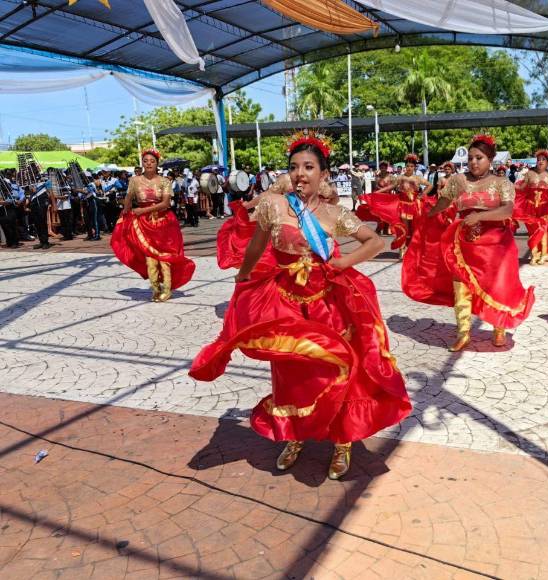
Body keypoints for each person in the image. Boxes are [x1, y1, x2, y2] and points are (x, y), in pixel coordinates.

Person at [190, 134, 411, 480]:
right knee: (290, 373)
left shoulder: (336, 214)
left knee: (335, 374)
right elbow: (255, 246)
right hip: (285, 305)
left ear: (323, 174)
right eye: (294, 167)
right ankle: (293, 435)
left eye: (308, 167)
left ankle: (342, 442)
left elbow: (376, 241)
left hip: (329, 306)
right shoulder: (273, 206)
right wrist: (243, 278)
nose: (300, 174)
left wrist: (344, 262)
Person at [403, 134, 535, 351]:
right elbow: (443, 202)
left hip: (496, 245)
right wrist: (427, 215)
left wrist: (480, 216)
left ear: (490, 159)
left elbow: (507, 210)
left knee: (497, 287)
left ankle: (498, 328)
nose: (473, 162)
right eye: (471, 158)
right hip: (463, 243)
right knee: (460, 287)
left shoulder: (502, 183)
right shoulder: (458, 181)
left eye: (479, 158)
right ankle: (463, 333)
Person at [111, 149, 196, 302]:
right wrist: (124, 215)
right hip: (143, 223)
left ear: (157, 163)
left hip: (164, 223)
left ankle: (168, 289)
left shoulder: (165, 181)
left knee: (164, 258)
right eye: (146, 161)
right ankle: (156, 288)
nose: (149, 163)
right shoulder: (134, 181)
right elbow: (128, 200)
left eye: (152, 161)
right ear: (142, 163)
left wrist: (143, 210)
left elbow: (165, 204)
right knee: (150, 259)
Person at [369, 153, 435, 255]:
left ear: (414, 167)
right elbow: (390, 186)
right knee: (404, 227)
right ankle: (402, 247)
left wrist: (422, 194)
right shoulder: (400, 177)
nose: (409, 168)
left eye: (411, 166)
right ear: (405, 167)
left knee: (415, 227)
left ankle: (413, 247)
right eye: (407, 166)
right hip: (403, 204)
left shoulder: (417, 178)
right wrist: (378, 192)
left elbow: (430, 185)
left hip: (415, 205)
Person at [514, 150, 548, 265]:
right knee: (532, 231)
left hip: (545, 206)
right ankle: (534, 255)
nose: (540, 162)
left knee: (543, 230)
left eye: (543, 160)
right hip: (530, 206)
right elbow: (523, 187)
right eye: (538, 159)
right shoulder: (530, 173)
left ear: (547, 162)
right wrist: (511, 186)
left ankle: (543, 255)